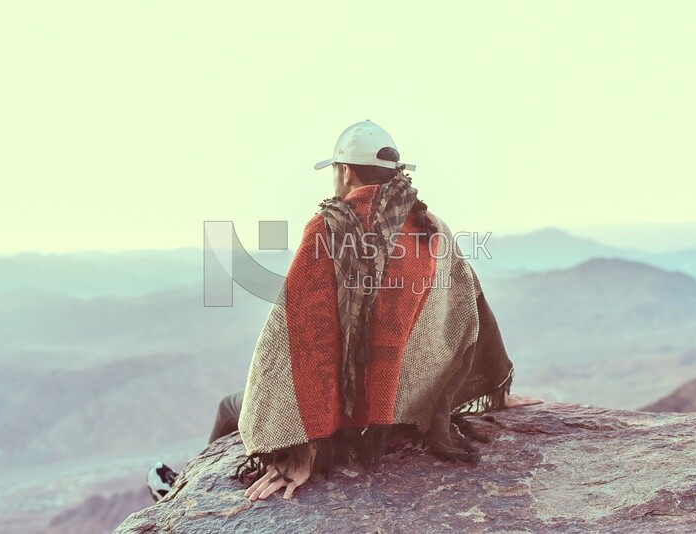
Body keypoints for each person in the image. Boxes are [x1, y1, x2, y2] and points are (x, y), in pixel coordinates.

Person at [147, 120, 541, 503]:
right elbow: (468, 308)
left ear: (345, 171)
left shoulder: (327, 229)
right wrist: (490, 381)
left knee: (231, 406)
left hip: (345, 424)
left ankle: (181, 489)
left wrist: (301, 446)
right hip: (410, 410)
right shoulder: (431, 226)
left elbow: (299, 339)